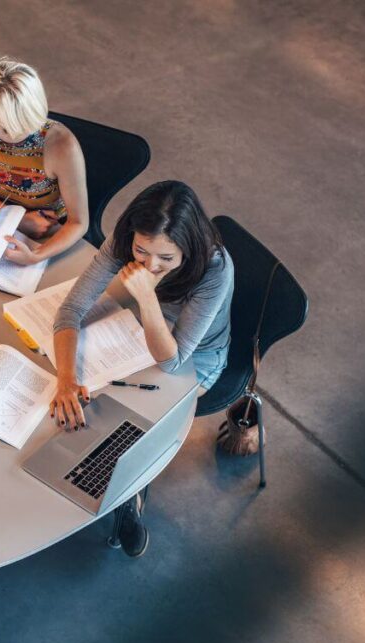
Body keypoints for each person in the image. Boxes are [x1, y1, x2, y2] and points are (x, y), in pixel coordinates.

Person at [50, 180, 234, 557]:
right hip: (138, 329)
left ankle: (126, 502)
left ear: (189, 247)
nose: (150, 265)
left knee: (133, 417)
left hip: (197, 357)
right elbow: (70, 311)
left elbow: (174, 360)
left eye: (166, 258)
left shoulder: (215, 269)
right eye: (141, 251)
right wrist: (67, 379)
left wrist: (147, 297)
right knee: (92, 395)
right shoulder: (124, 242)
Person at [0, 57, 88, 266]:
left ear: (6, 119)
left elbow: (79, 223)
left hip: (45, 231)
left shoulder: (61, 146)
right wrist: (19, 219)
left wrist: (36, 256)